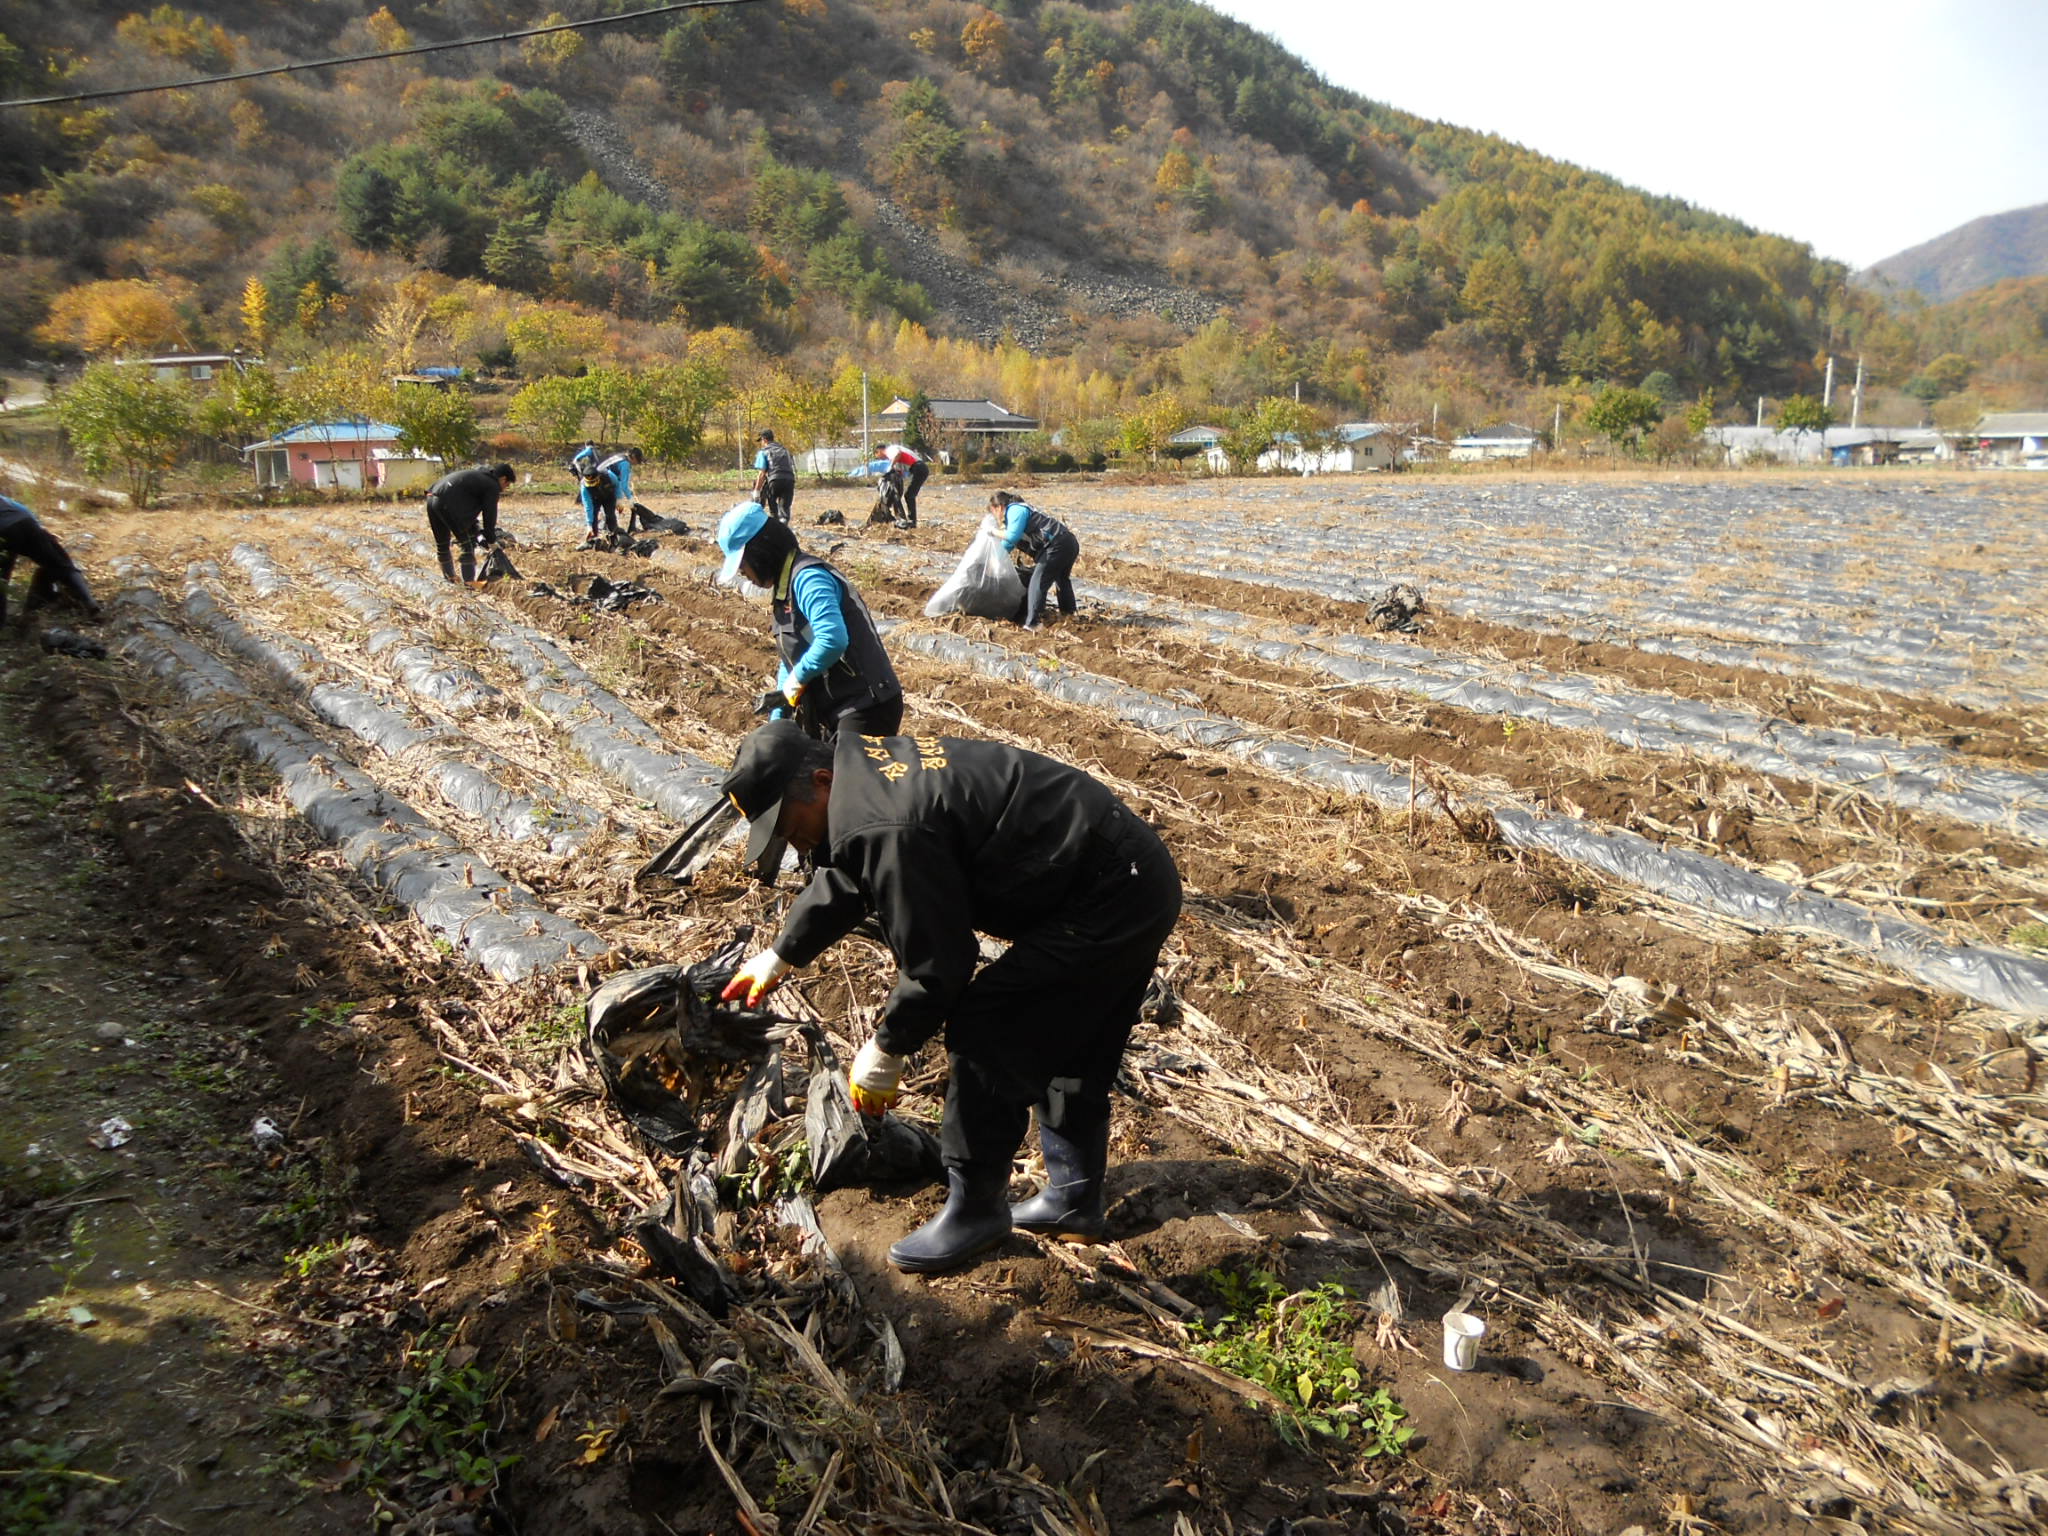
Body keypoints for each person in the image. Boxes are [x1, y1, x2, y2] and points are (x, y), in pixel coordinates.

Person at [718, 722, 1181, 1273]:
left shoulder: (889, 821)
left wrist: (887, 1048)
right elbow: (852, 871)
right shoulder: (860, 778)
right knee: (1069, 1034)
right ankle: (1073, 1200)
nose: (792, 843)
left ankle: (977, 1210)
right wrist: (782, 954)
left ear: (820, 782)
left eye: (789, 826)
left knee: (990, 1024)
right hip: (1124, 874)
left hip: (1112, 892)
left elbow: (940, 964)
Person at [715, 501, 902, 738]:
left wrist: (795, 681)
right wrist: (777, 719)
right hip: (836, 706)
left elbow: (832, 640)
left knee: (841, 763)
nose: (743, 573)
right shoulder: (783, 590)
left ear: (760, 552)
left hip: (866, 704)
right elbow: (791, 659)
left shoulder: (808, 579)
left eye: (742, 564)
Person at [0, 494, 100, 629]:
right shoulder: (3, 499)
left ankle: (2, 625)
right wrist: (42, 534)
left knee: (2, 580)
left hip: (4, 530)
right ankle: (90, 602)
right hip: (26, 522)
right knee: (62, 564)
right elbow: (25, 510)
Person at [991, 490, 1079, 631]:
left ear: (999, 507)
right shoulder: (1017, 514)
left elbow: (1012, 536)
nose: (995, 516)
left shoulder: (1015, 509)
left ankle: (1033, 623)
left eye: (993, 511)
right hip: (1067, 542)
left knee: (1037, 582)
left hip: (1057, 544)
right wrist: (993, 561)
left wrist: (993, 532)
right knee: (1062, 580)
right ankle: (1069, 615)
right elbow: (1008, 544)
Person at [422, 463, 514, 585]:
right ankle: (469, 584)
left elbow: (466, 506)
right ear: (503, 479)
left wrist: (476, 530)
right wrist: (491, 541)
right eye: (507, 485)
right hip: (447, 502)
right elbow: (489, 516)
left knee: (442, 544)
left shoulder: (479, 476)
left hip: (432, 496)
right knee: (467, 545)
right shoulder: (492, 486)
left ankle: (450, 579)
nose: (504, 488)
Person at [877, 442, 928, 528]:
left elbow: (898, 454)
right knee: (908, 495)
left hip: (919, 467)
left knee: (909, 495)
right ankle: (909, 520)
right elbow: (899, 472)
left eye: (877, 455)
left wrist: (890, 467)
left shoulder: (890, 450)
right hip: (919, 468)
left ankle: (912, 521)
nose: (879, 458)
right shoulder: (893, 456)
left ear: (880, 451)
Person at [752, 430, 797, 524]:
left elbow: (762, 474)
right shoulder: (785, 450)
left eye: (761, 441)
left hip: (774, 480)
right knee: (784, 510)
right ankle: (784, 525)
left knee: (774, 510)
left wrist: (756, 491)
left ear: (764, 439)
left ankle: (775, 523)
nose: (761, 443)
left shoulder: (764, 452)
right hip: (789, 480)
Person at [579, 463, 623, 545]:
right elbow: (588, 506)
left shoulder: (609, 475)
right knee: (593, 515)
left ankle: (613, 537)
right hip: (595, 499)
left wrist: (619, 500)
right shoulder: (584, 486)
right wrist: (589, 525)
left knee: (610, 515)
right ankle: (593, 538)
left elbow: (617, 485)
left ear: (598, 476)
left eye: (593, 481)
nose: (592, 484)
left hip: (609, 497)